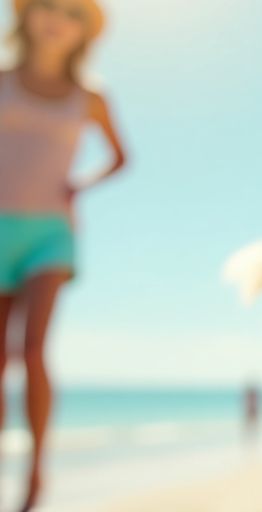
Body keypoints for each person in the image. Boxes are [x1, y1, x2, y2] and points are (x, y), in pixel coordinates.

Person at [1, 1, 126, 509]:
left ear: (85, 33)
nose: (57, 18)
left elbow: (120, 156)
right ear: (25, 14)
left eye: (73, 12)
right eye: (47, 5)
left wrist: (78, 185)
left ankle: (36, 472)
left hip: (51, 235)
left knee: (32, 350)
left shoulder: (90, 97)